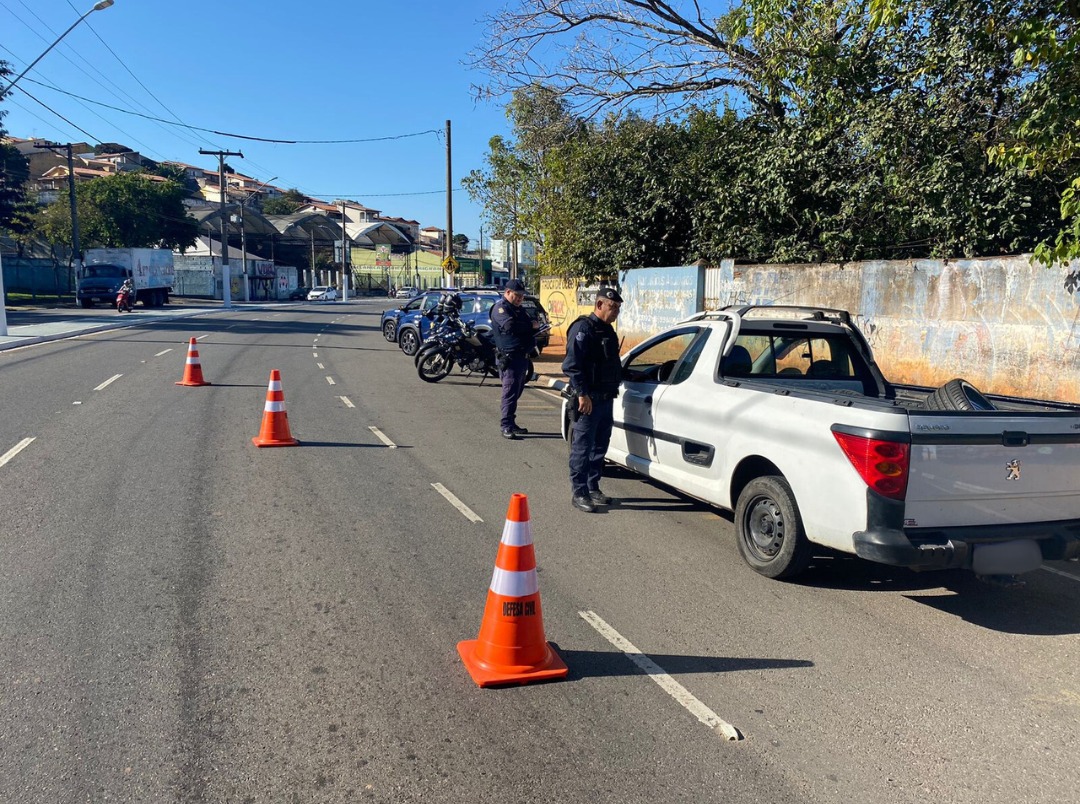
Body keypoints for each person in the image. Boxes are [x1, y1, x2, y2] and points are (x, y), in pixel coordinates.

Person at [562, 287, 623, 512]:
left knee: (600, 446)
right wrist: (582, 394)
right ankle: (579, 492)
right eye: (612, 307)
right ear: (599, 305)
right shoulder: (583, 329)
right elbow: (572, 365)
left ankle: (592, 486)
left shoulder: (608, 331)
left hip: (606, 399)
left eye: (617, 308)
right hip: (588, 400)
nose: (615, 311)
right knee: (582, 447)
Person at [489, 278, 539, 439]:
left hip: (521, 357)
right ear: (508, 292)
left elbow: (526, 323)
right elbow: (510, 326)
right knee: (509, 392)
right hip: (509, 358)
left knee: (516, 392)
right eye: (517, 295)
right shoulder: (501, 308)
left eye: (522, 296)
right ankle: (506, 425)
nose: (520, 299)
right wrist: (530, 326)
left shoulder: (518, 309)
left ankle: (511, 421)